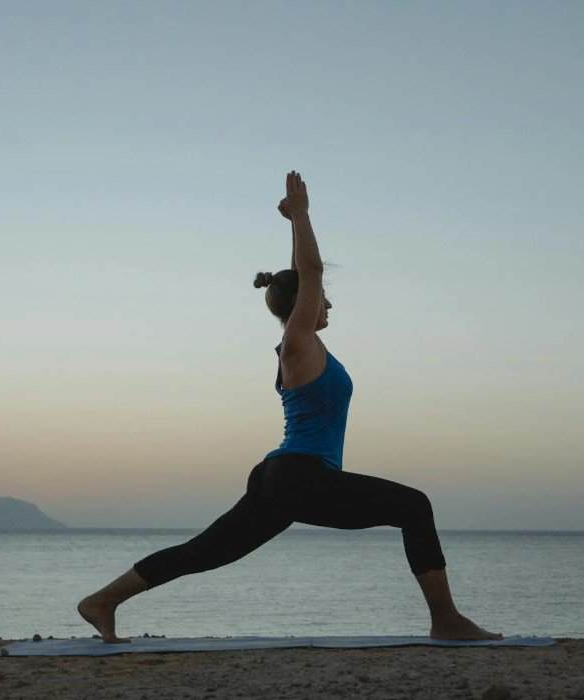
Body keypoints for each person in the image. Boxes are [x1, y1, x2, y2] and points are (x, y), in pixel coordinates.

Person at [78, 171, 501, 642]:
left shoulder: (306, 347)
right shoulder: (297, 343)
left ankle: (102, 601)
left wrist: (293, 236)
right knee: (414, 506)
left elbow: (302, 278)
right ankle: (446, 620)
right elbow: (310, 274)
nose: (329, 306)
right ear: (304, 304)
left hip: (282, 478)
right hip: (301, 476)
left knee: (205, 552)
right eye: (323, 300)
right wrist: (301, 216)